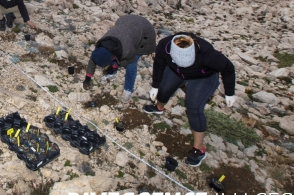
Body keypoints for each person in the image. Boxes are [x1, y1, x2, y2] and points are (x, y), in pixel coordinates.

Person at [143, 33, 236, 167]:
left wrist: (229, 92)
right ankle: (158, 108)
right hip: (176, 71)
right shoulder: (164, 46)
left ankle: (199, 150)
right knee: (164, 88)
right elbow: (158, 65)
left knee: (194, 107)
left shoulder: (207, 54)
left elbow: (228, 68)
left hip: (203, 76)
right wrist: (155, 86)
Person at [82, 15, 156, 103]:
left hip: (145, 32)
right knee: (115, 59)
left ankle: (127, 91)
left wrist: (115, 65)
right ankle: (112, 72)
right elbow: (93, 59)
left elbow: (129, 60)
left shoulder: (127, 50)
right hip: (126, 22)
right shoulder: (101, 45)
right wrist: (88, 78)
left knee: (131, 65)